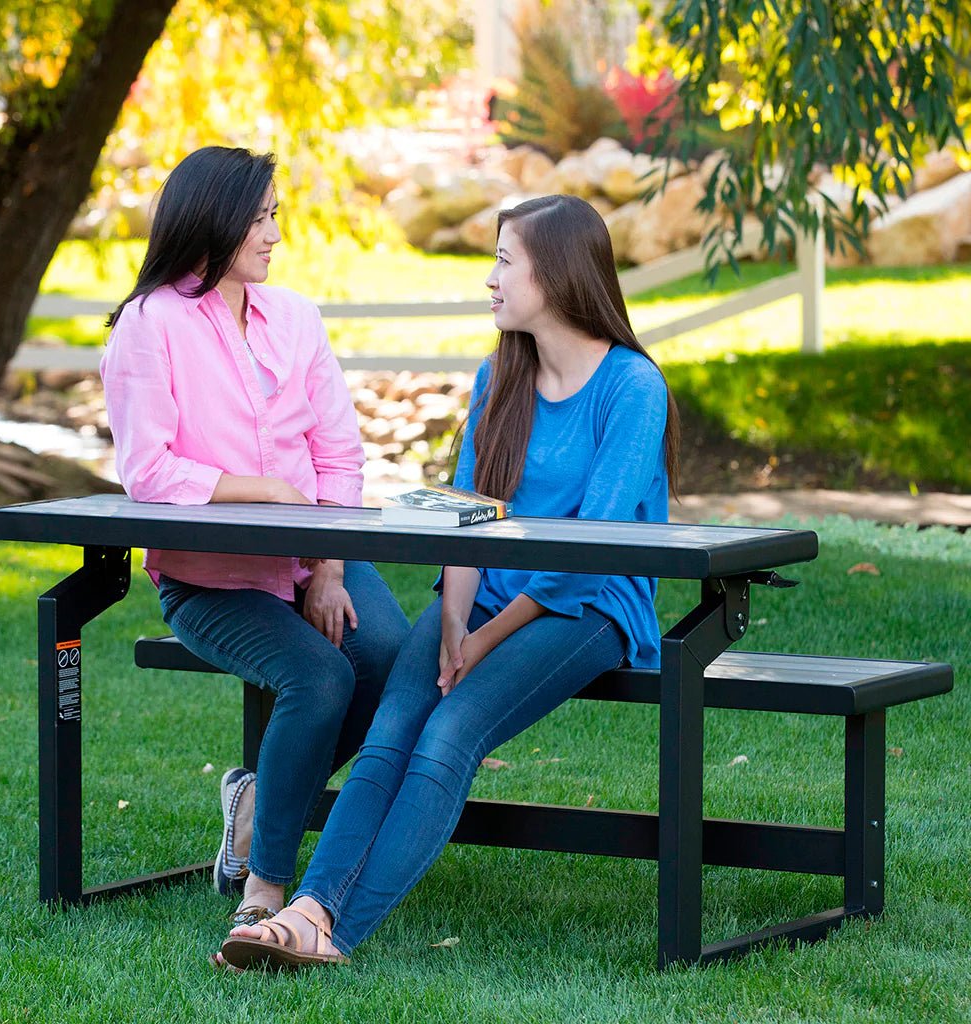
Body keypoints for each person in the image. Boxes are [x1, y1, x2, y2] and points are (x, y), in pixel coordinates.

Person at [218, 193, 680, 970]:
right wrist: (457, 617)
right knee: (393, 727)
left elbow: (589, 551)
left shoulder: (632, 388)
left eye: (505, 261)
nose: (490, 279)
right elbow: (466, 515)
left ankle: (333, 929)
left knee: (449, 732)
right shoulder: (498, 373)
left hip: (590, 604)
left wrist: (484, 639)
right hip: (486, 594)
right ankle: (308, 908)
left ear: (559, 276)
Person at [99, 146, 410, 929]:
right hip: (208, 580)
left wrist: (331, 568)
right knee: (320, 677)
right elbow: (147, 469)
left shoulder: (295, 316)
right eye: (262, 216)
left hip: (311, 559)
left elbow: (339, 454)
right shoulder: (149, 323)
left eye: (276, 214)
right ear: (216, 220)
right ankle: (265, 885)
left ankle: (256, 804)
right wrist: (263, 489)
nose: (275, 233)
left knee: (390, 664)